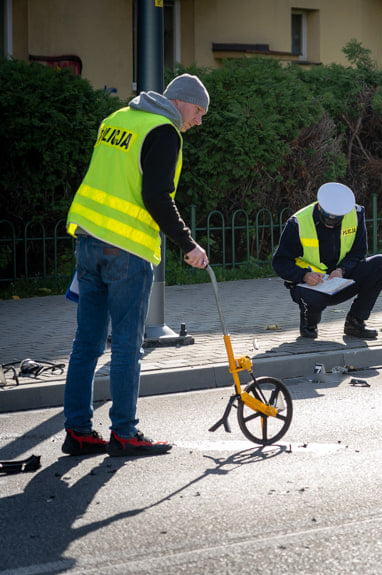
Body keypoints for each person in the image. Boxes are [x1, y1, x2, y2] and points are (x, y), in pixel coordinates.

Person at [62, 74, 210, 457]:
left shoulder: (117, 119)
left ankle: (77, 432)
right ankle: (124, 433)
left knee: (87, 343)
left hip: (88, 240)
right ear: (181, 102)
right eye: (198, 112)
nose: (198, 121)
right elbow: (157, 197)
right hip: (126, 249)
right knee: (128, 345)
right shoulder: (164, 131)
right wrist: (188, 244)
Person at [272, 183, 382, 340]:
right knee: (313, 298)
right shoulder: (298, 222)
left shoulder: (355, 214)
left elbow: (359, 251)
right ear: (320, 207)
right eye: (327, 220)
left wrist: (342, 270)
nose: (330, 224)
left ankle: (355, 322)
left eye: (336, 221)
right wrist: (304, 276)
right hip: (309, 285)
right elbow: (280, 262)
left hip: (340, 279)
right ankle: (309, 323)